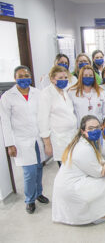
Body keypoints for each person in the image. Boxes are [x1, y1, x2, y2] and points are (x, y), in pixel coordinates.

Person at [52, 115, 105, 225]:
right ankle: (97, 215)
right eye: (91, 128)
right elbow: (99, 173)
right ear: (83, 131)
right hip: (71, 188)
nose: (95, 130)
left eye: (97, 127)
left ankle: (96, 209)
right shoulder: (83, 148)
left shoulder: (86, 142)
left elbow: (98, 158)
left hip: (71, 183)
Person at [1, 66, 49, 214]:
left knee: (40, 167)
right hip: (21, 140)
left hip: (38, 137)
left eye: (27, 76)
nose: (24, 79)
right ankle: (29, 200)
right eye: (20, 76)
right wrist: (9, 144)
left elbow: (43, 114)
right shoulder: (8, 97)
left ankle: (39, 193)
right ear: (15, 78)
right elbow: (5, 122)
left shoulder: (37, 93)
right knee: (29, 172)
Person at [38, 66, 77, 167]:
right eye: (60, 78)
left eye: (65, 78)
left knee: (72, 167)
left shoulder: (64, 92)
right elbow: (43, 120)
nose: (63, 80)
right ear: (52, 79)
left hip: (71, 136)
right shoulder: (46, 94)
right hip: (59, 139)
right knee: (65, 169)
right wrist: (47, 144)